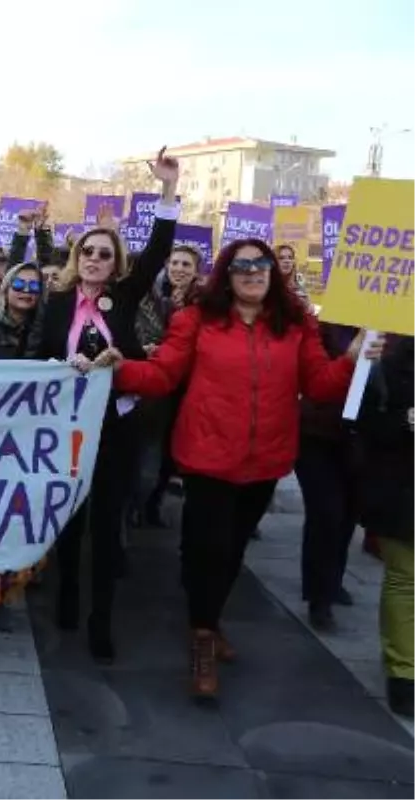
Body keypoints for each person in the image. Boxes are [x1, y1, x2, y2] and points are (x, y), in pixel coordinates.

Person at [109, 239, 382, 701]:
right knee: (207, 548)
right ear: (225, 274)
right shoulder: (196, 320)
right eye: (242, 266)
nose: (253, 272)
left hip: (265, 461)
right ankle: (201, 637)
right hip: (206, 457)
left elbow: (319, 384)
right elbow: (163, 374)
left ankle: (210, 620)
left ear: (274, 273)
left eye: (262, 265)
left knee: (233, 550)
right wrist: (120, 369)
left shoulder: (297, 324)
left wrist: (353, 358)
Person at [27, 147, 180, 664]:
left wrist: (165, 192)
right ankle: (67, 593)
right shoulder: (58, 303)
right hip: (65, 431)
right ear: (76, 259)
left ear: (116, 263)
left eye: (104, 253)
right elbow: (39, 356)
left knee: (107, 524)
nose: (95, 260)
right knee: (69, 519)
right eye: (88, 252)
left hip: (115, 429)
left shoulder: (126, 296)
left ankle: (102, 619)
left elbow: (159, 251)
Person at [355, 335, 415, 718]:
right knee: (406, 579)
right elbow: (368, 422)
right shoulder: (391, 361)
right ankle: (404, 671)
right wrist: (407, 420)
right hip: (405, 490)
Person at [132, 245, 203, 527]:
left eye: (186, 264)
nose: (179, 269)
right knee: (151, 452)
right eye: (175, 263)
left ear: (196, 270)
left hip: (189, 389)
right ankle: (139, 505)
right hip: (156, 389)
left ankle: (154, 504)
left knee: (171, 455)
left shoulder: (204, 301)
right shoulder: (153, 297)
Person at [295, 322, 360, 631]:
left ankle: (333, 579)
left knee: (348, 513)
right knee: (326, 512)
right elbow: (313, 375)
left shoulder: (397, 331)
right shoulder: (323, 326)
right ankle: (319, 597)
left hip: (363, 438)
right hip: (318, 433)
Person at [276, 244, 311, 309]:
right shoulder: (268, 284)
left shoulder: (299, 280)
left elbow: (308, 307)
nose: (287, 261)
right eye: (281, 258)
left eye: (290, 258)